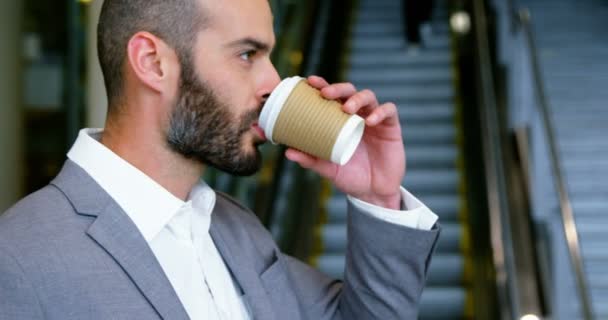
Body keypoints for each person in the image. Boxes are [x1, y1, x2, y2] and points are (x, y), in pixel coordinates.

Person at [0, 0, 440, 319]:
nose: (274, 82)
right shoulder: (18, 260)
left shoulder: (236, 228)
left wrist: (378, 195)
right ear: (153, 63)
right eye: (247, 55)